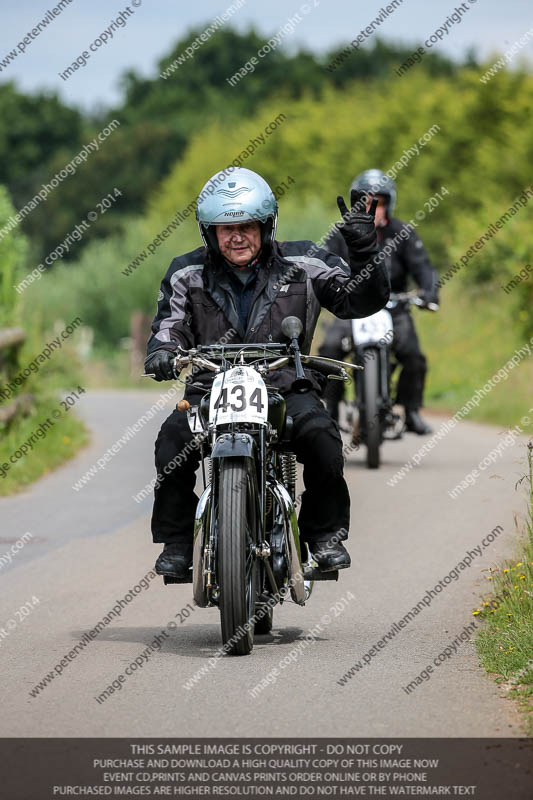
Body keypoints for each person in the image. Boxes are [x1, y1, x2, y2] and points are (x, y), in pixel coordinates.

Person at [144, 167, 390, 579]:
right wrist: (163, 353)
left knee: (323, 439)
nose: (236, 236)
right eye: (225, 228)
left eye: (246, 226)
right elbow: (168, 327)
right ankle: (178, 542)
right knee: (172, 441)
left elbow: (358, 302)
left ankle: (324, 536)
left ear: (266, 225)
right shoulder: (187, 273)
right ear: (208, 232)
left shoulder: (307, 263)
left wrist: (365, 253)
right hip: (210, 387)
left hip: (285, 384)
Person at [319, 169, 439, 435]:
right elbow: (324, 263)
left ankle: (410, 411)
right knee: (329, 348)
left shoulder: (402, 233)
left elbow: (423, 267)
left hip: (394, 307)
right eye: (366, 201)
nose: (373, 208)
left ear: (388, 204)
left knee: (413, 355)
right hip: (352, 306)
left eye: (379, 202)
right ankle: (330, 410)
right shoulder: (341, 233)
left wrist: (429, 292)